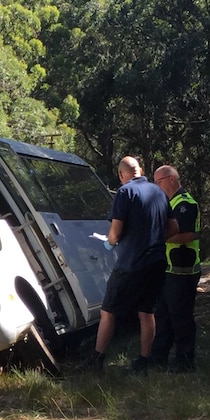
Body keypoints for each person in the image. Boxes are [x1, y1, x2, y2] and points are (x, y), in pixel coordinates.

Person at [84, 156, 177, 374]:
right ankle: (144, 361)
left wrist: (108, 243)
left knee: (108, 311)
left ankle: (97, 360)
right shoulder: (158, 192)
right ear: (141, 170)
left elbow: (115, 232)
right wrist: (154, 239)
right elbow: (174, 227)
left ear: (121, 175)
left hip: (131, 263)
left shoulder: (125, 193)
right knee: (147, 313)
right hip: (156, 262)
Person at [150, 166, 200, 372]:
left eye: (158, 181)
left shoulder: (185, 204)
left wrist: (158, 238)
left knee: (181, 317)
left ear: (171, 179)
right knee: (163, 316)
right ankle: (158, 357)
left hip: (182, 271)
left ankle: (185, 360)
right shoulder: (169, 203)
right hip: (168, 270)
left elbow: (188, 234)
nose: (156, 186)